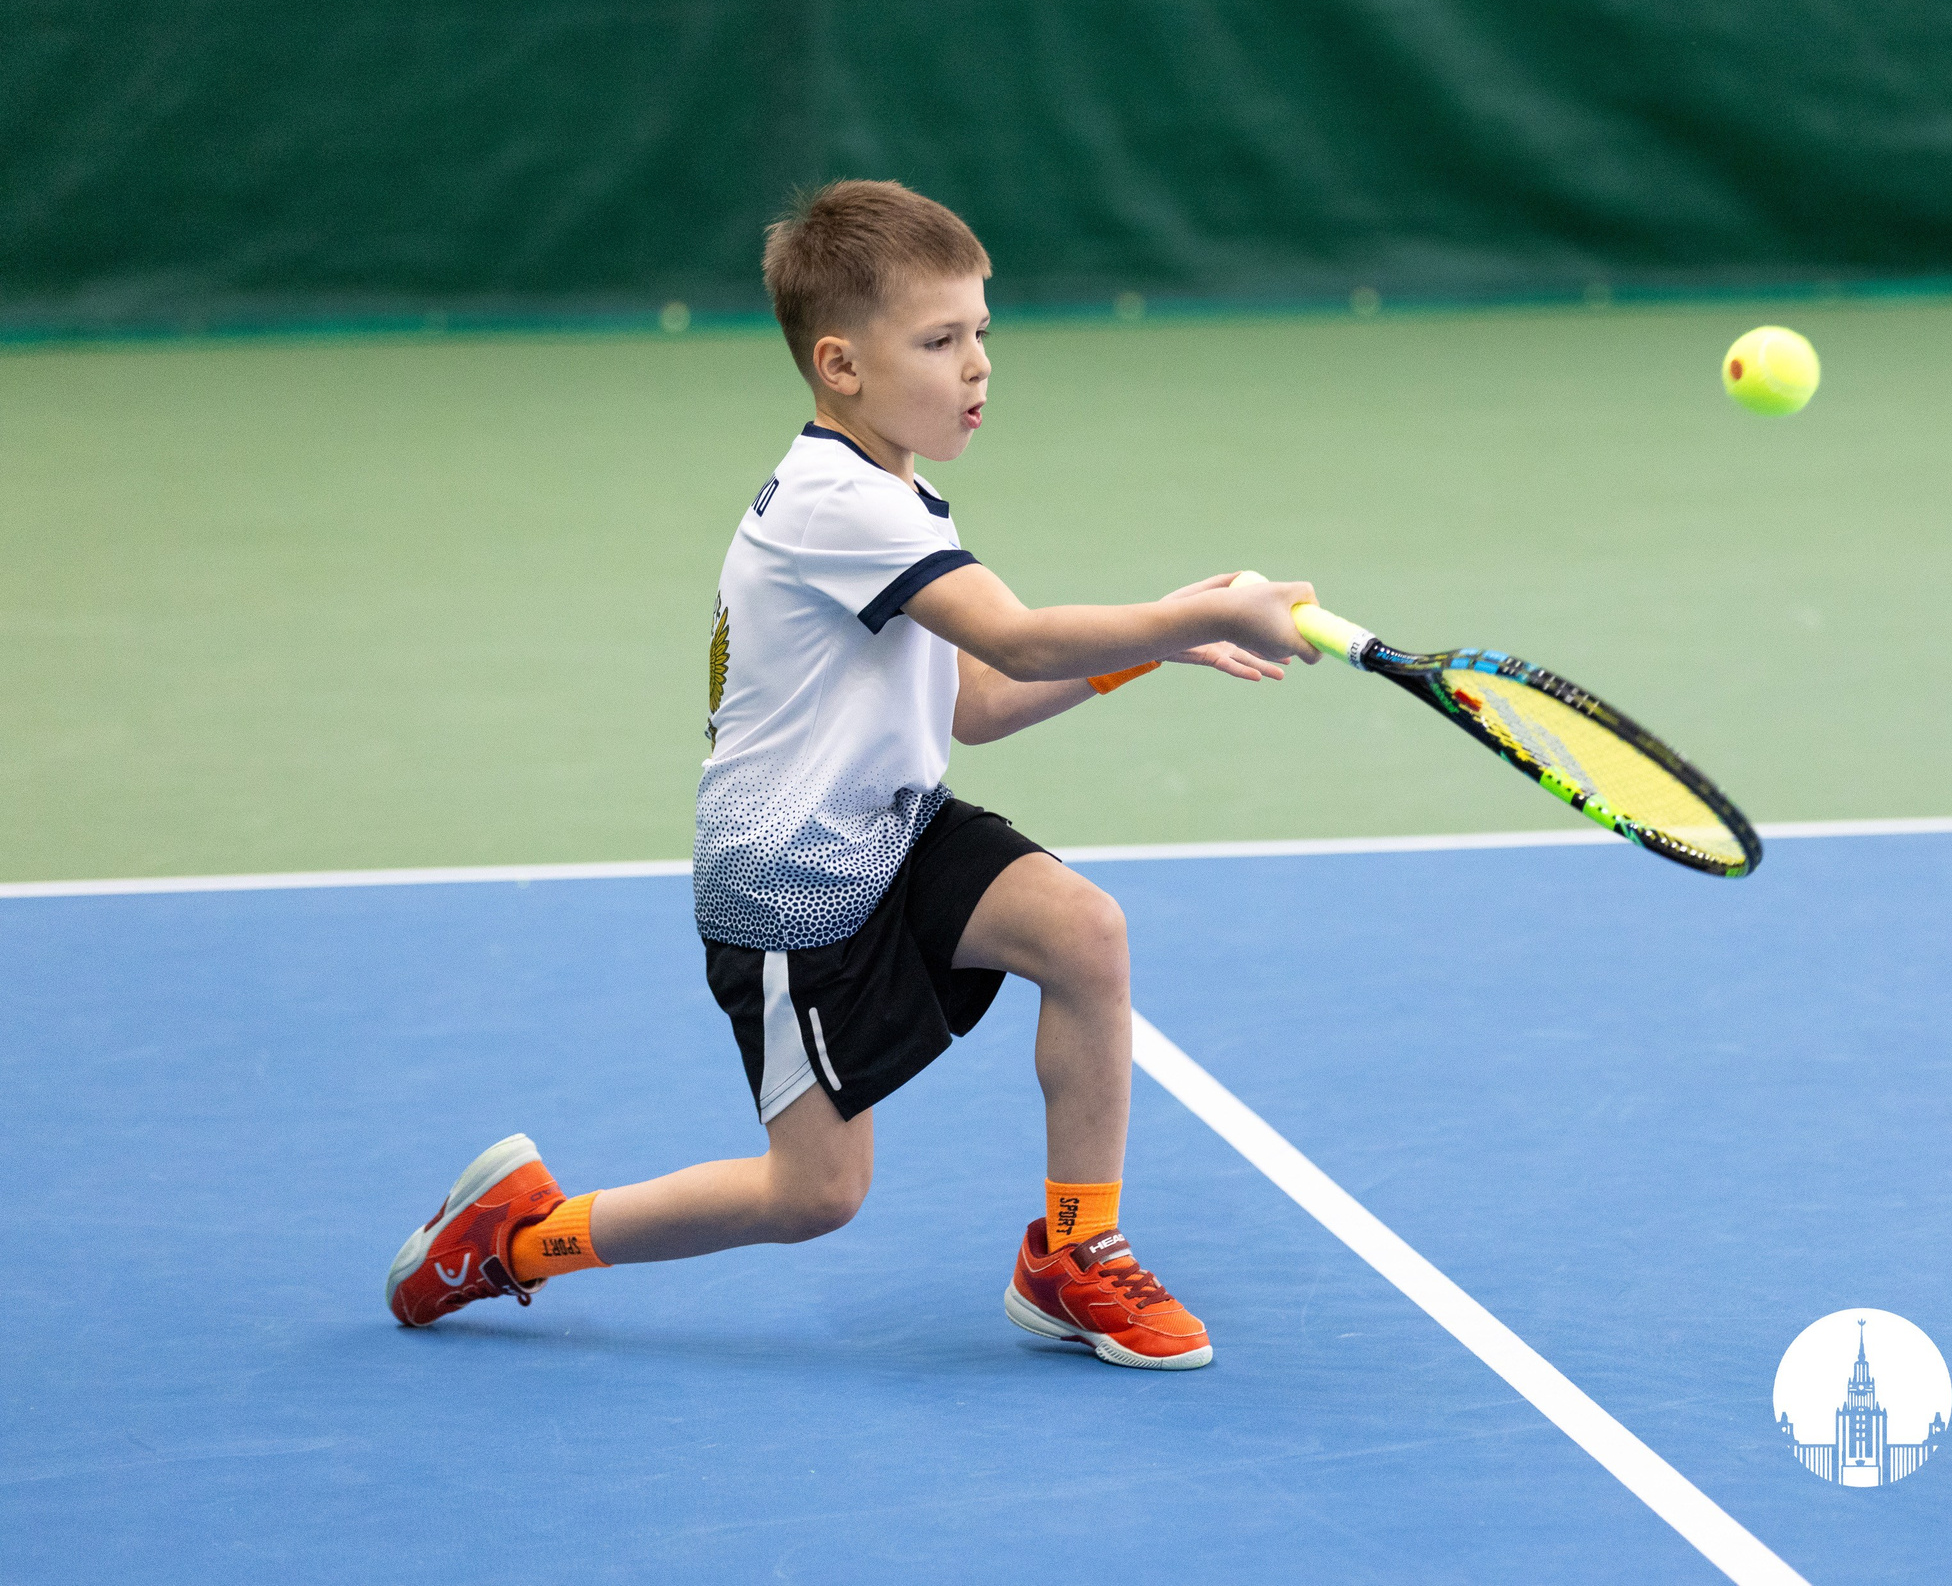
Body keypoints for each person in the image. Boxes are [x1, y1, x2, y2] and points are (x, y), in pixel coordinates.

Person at [384, 179, 1317, 1369]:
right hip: (792, 888)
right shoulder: (836, 503)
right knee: (814, 1193)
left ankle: (1072, 1254)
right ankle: (517, 1241)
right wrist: (1190, 611)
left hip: (892, 828)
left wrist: (1163, 641)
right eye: (940, 340)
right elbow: (1019, 640)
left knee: (1084, 933)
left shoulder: (894, 491)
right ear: (841, 365)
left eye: (983, 331)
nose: (978, 364)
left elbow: (972, 705)